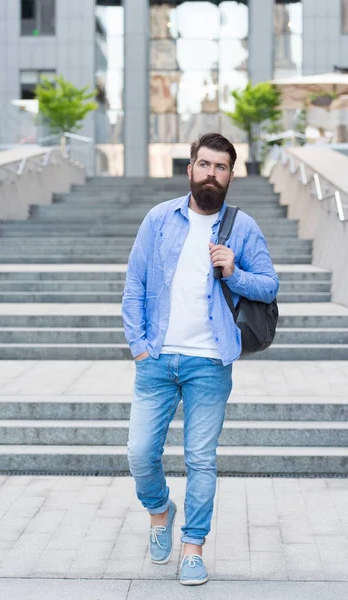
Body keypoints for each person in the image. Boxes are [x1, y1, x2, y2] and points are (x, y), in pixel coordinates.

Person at [122, 132, 279, 586]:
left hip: (210, 361)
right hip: (156, 359)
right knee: (139, 454)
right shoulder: (159, 219)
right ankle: (159, 510)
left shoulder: (242, 227)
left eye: (222, 167)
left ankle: (193, 548)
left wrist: (236, 271)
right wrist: (139, 345)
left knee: (201, 459)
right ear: (189, 168)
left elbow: (269, 286)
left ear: (231, 175)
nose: (212, 173)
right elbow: (134, 286)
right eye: (205, 164)